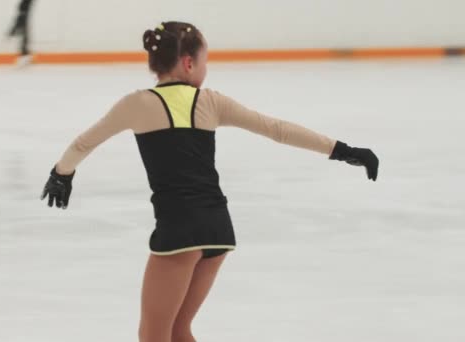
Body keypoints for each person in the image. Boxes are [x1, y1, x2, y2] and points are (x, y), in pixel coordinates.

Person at [40, 21, 379, 342]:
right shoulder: (211, 102)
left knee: (154, 336)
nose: (205, 68)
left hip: (179, 232)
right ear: (188, 63)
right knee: (178, 331)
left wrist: (62, 173)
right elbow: (277, 129)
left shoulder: (137, 104)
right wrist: (343, 150)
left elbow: (85, 142)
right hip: (217, 228)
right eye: (205, 61)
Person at [7, 0, 35, 64]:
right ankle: (24, 53)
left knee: (23, 23)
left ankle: (25, 53)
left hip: (24, 9)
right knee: (23, 23)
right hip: (23, 10)